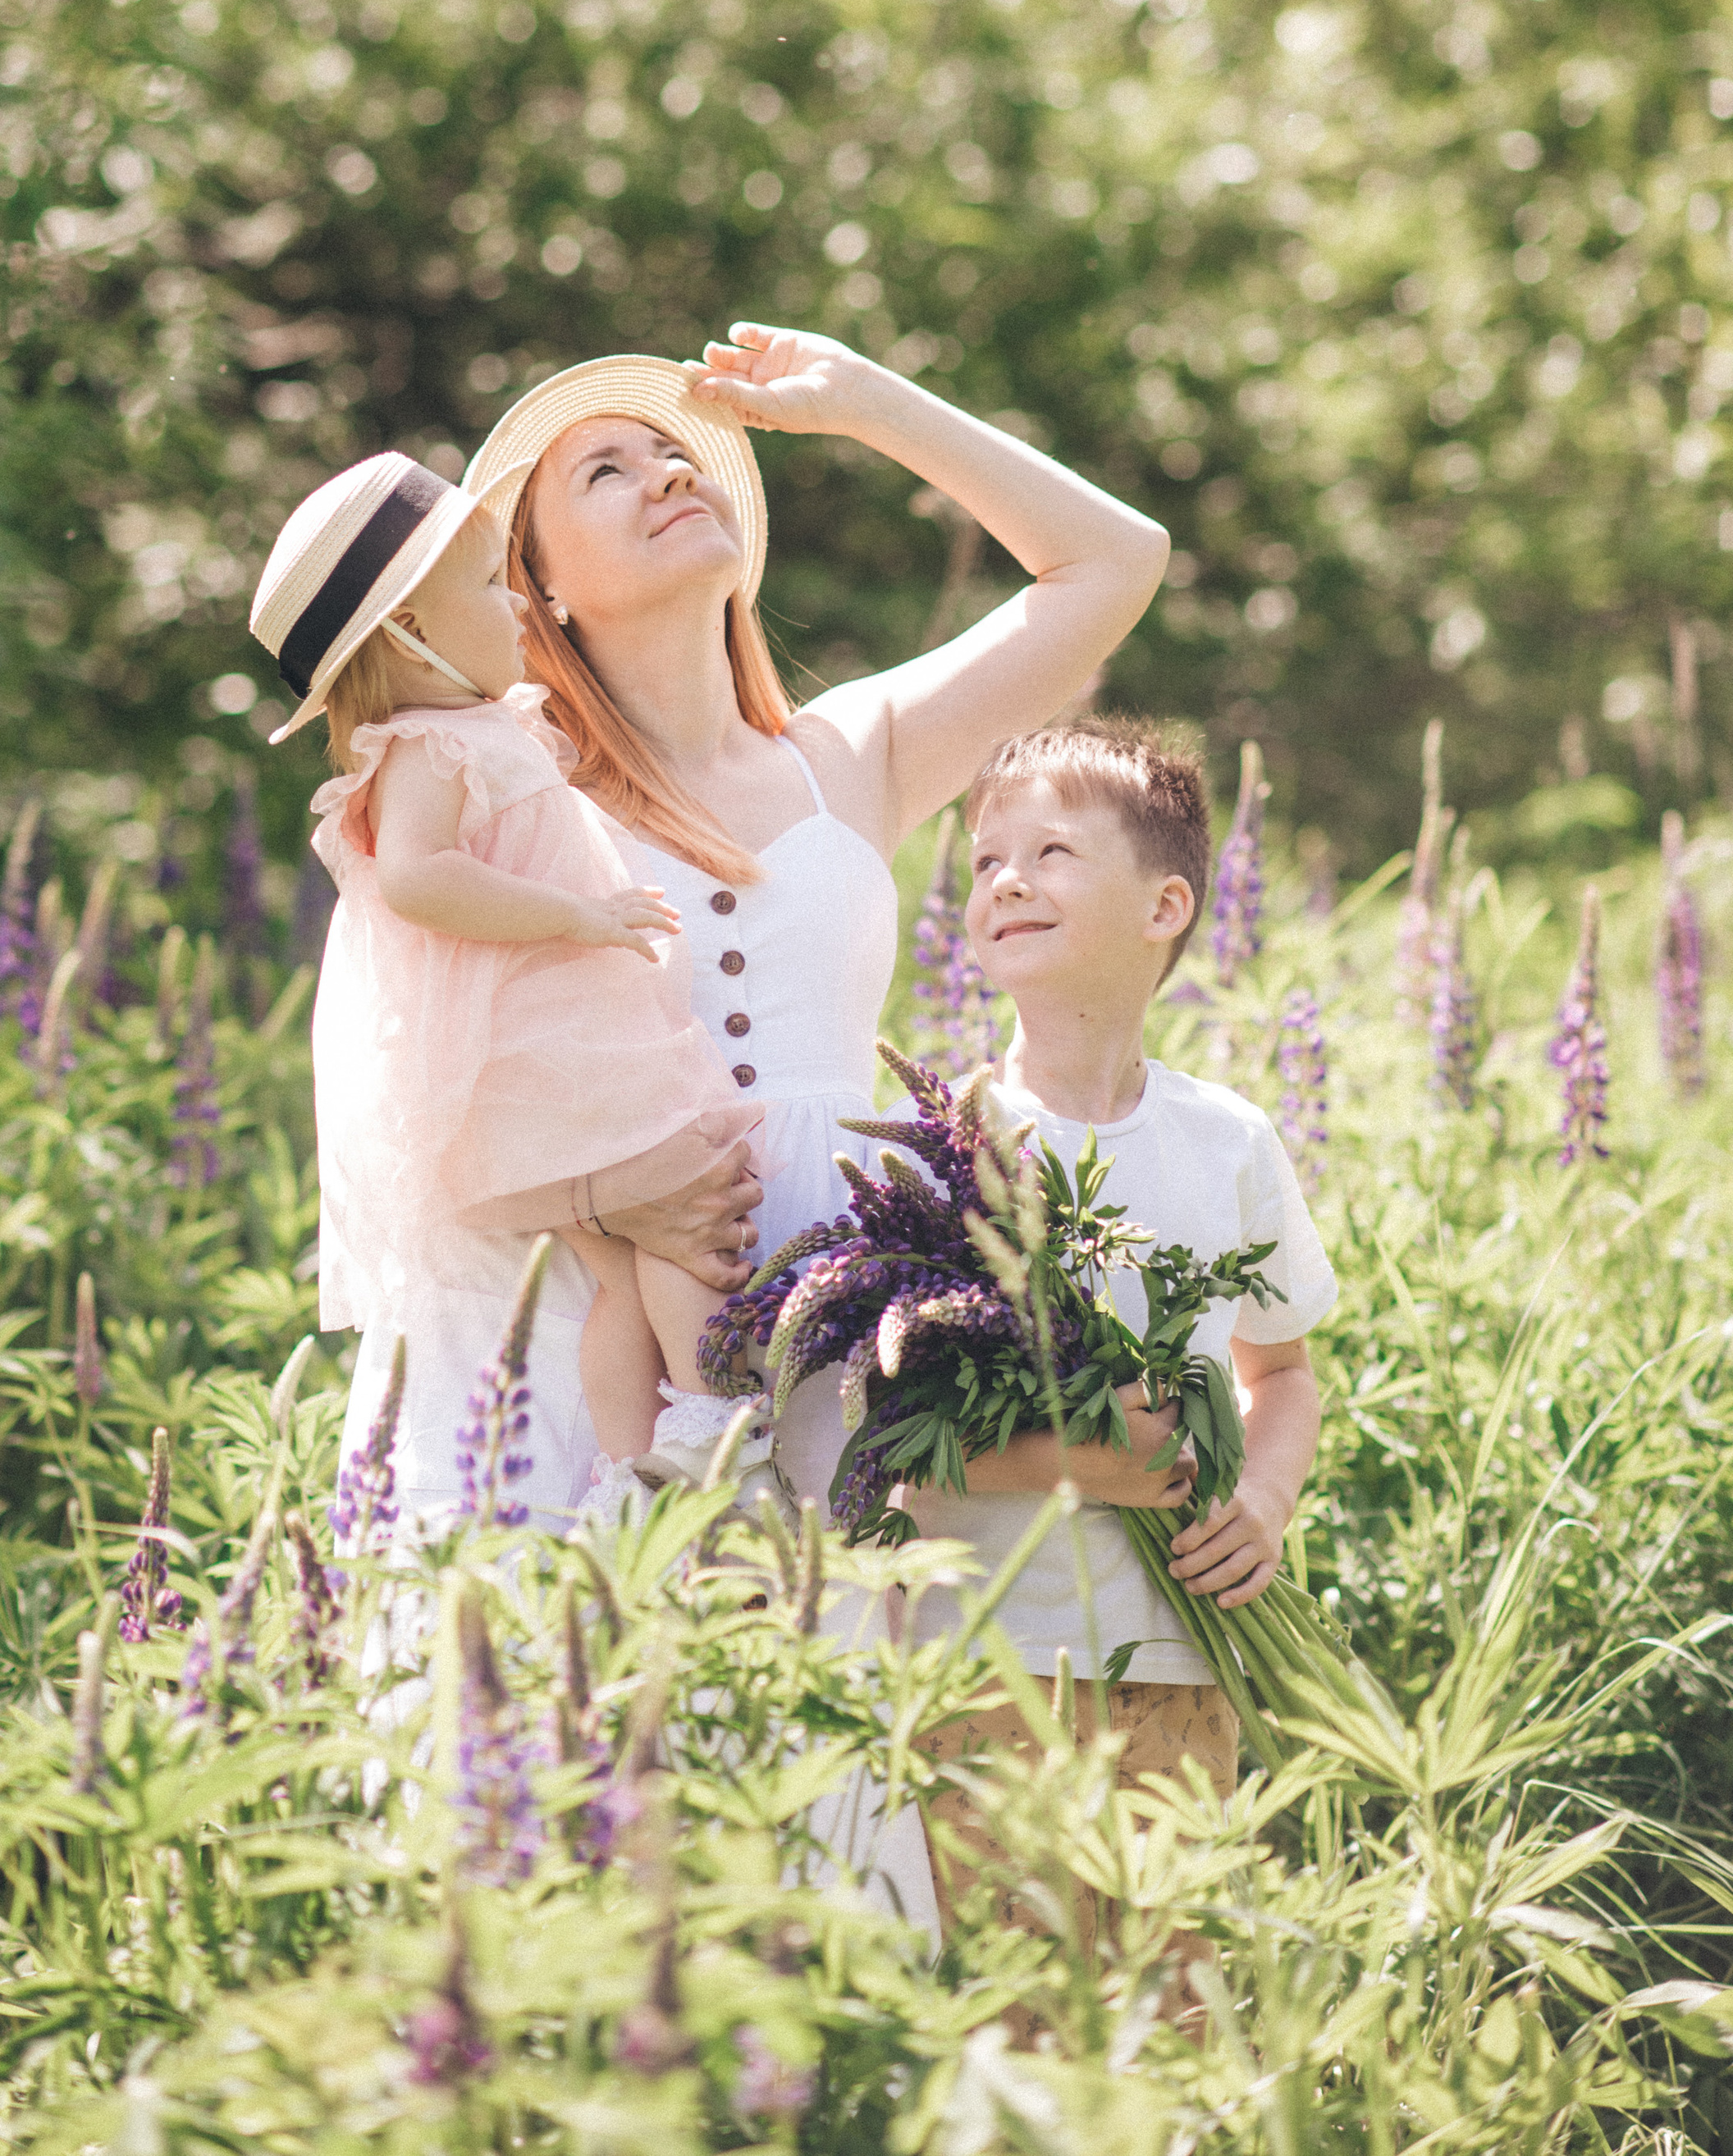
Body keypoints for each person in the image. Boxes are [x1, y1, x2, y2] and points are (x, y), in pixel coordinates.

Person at [455, 328, 1172, 1922]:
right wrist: (617, 1201)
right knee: (661, 1821)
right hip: (642, 1363)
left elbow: (1112, 563)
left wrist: (862, 403)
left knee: (865, 1810)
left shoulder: (847, 755)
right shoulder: (523, 795)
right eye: (603, 468)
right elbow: (454, 1067)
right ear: (543, 590)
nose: (662, 472)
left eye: (676, 454)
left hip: (875, 1346)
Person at [246, 450, 778, 1509]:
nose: (517, 604)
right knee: (683, 1178)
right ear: (412, 636)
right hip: (535, 1050)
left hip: (558, 1040)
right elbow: (417, 879)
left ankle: (639, 1463)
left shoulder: (490, 728)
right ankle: (713, 1415)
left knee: (623, 1268)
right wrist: (579, 916)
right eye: (489, 588)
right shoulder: (426, 750)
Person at [903, 718, 1337, 1939]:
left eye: (1051, 850)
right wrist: (1075, 1465)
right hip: (989, 1658)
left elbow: (1285, 1370)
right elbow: (883, 1437)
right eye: (988, 860)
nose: (1006, 880)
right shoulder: (946, 1140)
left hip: (1180, 1666)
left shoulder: (1230, 1137)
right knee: (1013, 2024)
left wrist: (1263, 1499)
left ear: (1166, 906)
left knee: (1169, 2011)